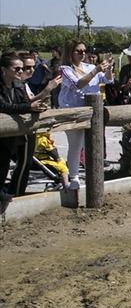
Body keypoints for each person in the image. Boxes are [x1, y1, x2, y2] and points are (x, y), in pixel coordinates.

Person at [58, 39, 114, 190]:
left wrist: (108, 68)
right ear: (71, 53)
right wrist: (96, 70)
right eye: (79, 51)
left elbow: (108, 80)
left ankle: (93, 175)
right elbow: (78, 84)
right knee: (76, 146)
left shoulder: (89, 66)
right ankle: (74, 177)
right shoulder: (65, 69)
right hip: (74, 112)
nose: (83, 54)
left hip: (93, 111)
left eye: (84, 51)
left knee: (92, 146)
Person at [1, 53, 49, 209]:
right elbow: (4, 106)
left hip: (11, 135)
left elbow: (24, 103)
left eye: (22, 69)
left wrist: (37, 108)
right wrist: (29, 107)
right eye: (17, 69)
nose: (20, 72)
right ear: (3, 69)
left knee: (3, 169)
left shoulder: (18, 85)